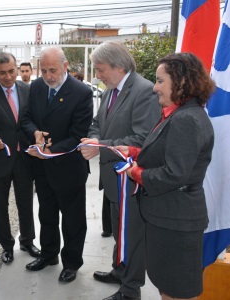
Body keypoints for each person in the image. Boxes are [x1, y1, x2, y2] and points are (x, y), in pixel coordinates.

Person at [115, 53, 215, 300]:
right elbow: (169, 153)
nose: (154, 88)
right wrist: (136, 151)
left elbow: (175, 174)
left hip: (176, 223)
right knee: (167, 287)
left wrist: (136, 172)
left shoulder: (186, 119)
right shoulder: (179, 114)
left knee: (177, 292)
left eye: (160, 81)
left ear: (181, 82)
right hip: (168, 220)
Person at [79, 41, 160, 300]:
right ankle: (120, 270)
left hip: (131, 180)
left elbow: (141, 139)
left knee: (133, 235)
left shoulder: (144, 91)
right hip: (114, 178)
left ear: (119, 66)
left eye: (101, 69)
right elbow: (97, 123)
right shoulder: (109, 91)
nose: (98, 75)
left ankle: (130, 289)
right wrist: (93, 139)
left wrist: (99, 147)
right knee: (119, 229)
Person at [22, 46, 93, 283]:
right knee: (47, 213)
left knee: (72, 219)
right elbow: (27, 118)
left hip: (68, 167)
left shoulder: (81, 92)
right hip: (42, 168)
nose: (49, 75)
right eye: (44, 70)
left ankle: (71, 263)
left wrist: (50, 151)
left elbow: (78, 135)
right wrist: (36, 134)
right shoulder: (38, 86)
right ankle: (49, 254)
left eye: (53, 70)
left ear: (65, 66)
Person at [0, 52, 40, 264]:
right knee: (0, 204)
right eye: (2, 73)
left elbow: (33, 119)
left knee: (25, 201)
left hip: (25, 157)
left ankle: (27, 240)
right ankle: (6, 245)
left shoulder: (29, 90)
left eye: (11, 71)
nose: (8, 77)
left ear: (17, 69)